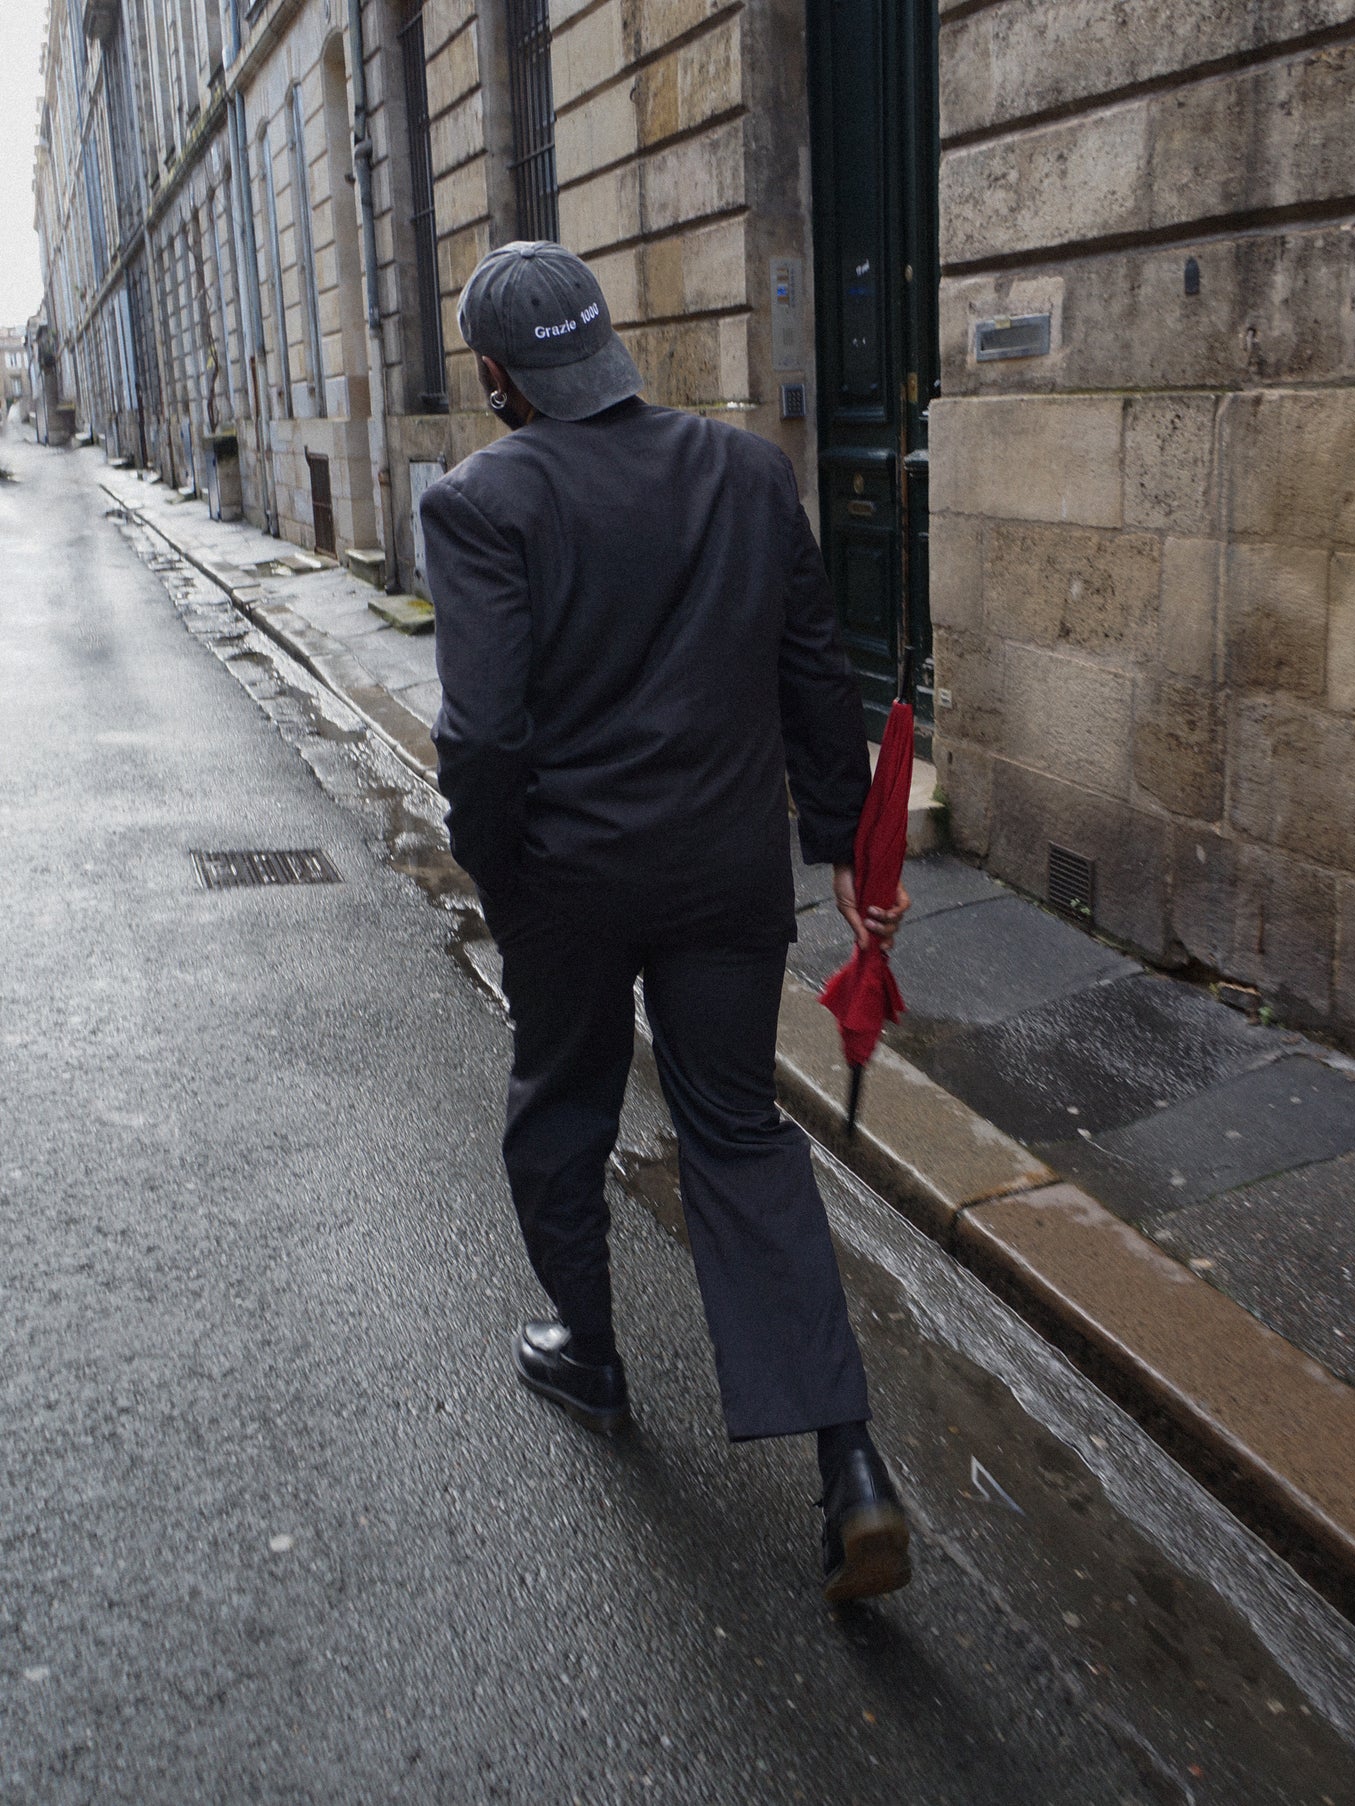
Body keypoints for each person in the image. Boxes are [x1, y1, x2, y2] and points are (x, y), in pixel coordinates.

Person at [420, 241, 912, 1603]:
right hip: (722, 876)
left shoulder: (480, 502)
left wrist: (494, 868)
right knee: (738, 1132)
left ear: (494, 374)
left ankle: (589, 1351)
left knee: (562, 1104)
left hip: (570, 882)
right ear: (610, 345)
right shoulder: (748, 471)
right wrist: (842, 847)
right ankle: (850, 1462)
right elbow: (819, 676)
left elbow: (483, 732)